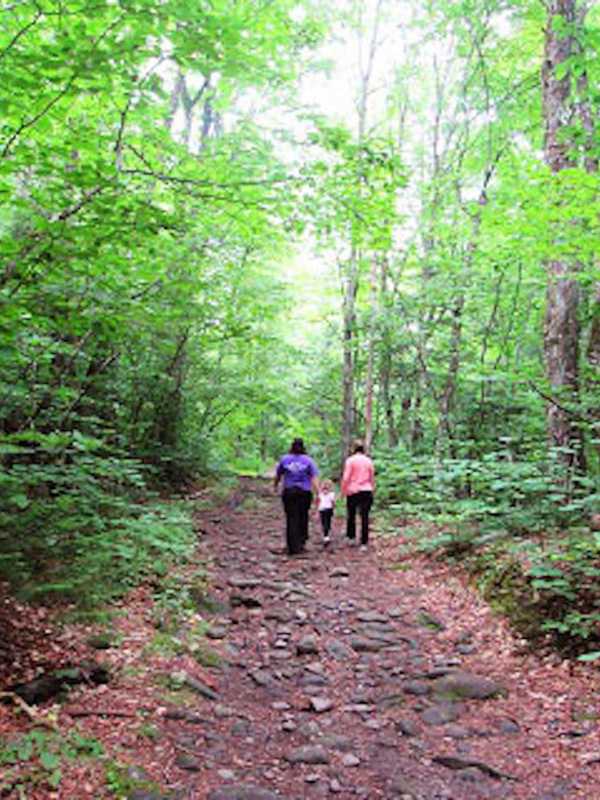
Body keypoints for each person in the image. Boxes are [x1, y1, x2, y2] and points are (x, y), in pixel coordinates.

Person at [273, 438, 319, 555]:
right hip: (304, 492)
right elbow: (314, 477)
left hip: (289, 492)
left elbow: (278, 474)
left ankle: (292, 546)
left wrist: (275, 486)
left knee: (291, 518)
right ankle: (301, 543)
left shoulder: (285, 459)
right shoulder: (308, 461)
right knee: (303, 517)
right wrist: (318, 492)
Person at [341, 440, 375, 552]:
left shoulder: (350, 461)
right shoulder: (368, 461)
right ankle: (364, 543)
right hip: (366, 490)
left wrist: (343, 490)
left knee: (351, 514)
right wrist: (372, 489)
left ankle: (351, 537)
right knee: (364, 517)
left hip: (353, 491)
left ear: (353, 449)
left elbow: (346, 477)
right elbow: (371, 477)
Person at [316, 479, 336, 547]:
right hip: (326, 510)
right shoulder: (331, 494)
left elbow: (318, 502)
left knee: (325, 522)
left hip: (324, 510)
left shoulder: (322, 494)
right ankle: (326, 535)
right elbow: (333, 503)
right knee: (326, 522)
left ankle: (326, 535)